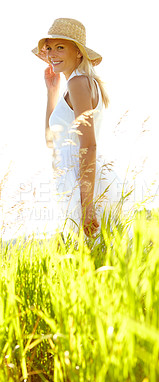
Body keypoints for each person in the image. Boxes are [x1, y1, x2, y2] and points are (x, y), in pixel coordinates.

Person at [32, 18, 119, 237]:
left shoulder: (78, 83)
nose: (52, 54)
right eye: (49, 48)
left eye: (60, 47)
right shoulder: (80, 84)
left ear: (79, 52)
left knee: (90, 259)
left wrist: (87, 207)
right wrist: (52, 91)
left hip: (82, 183)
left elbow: (89, 146)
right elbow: (52, 140)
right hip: (76, 180)